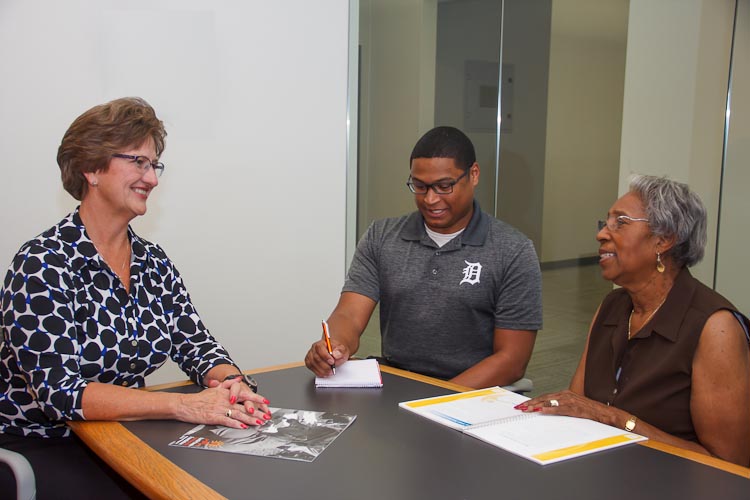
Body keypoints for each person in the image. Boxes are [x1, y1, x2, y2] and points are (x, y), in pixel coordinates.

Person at [0, 97, 271, 498]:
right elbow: (61, 394)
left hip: (123, 435)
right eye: (138, 162)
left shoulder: (154, 262)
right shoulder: (42, 263)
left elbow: (195, 343)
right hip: (48, 442)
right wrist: (183, 406)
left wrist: (231, 383)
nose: (153, 178)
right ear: (91, 168)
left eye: (154, 165)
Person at [518, 175, 750, 466]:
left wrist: (617, 419)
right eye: (605, 223)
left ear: (663, 240)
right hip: (598, 471)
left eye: (621, 222)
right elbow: (577, 405)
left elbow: (729, 464)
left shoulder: (715, 327)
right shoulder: (612, 306)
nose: (602, 234)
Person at [305, 126, 542, 389]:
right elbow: (349, 314)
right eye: (419, 186)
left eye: (444, 186)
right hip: (399, 381)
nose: (430, 199)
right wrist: (335, 345)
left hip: (471, 392)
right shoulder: (382, 236)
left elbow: (511, 360)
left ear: (473, 175)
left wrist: (435, 401)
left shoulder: (513, 250)